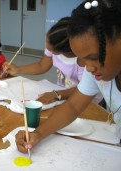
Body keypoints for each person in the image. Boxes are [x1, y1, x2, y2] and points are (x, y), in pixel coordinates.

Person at [15, 0, 121, 154]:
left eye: (95, 57)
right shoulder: (96, 71)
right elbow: (73, 106)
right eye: (82, 59)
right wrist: (37, 133)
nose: (89, 67)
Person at [3, 17, 102, 105]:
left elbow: (85, 89)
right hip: (63, 92)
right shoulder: (53, 44)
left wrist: (56, 94)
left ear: (67, 51)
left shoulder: (83, 60)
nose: (47, 48)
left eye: (50, 49)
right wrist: (18, 69)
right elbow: (42, 66)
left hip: (86, 100)